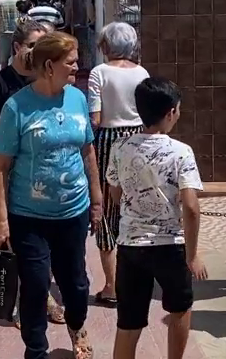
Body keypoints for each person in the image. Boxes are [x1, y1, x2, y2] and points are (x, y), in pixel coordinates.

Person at [0, 32, 100, 359]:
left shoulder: (77, 99)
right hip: (28, 216)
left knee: (76, 285)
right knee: (36, 286)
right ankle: (36, 351)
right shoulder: (16, 107)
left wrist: (96, 199)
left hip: (73, 212)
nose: (77, 67)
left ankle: (77, 324)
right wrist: (0, 219)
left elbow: (88, 151)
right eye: (71, 62)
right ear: (49, 66)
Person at [106, 77, 206, 359]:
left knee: (129, 322)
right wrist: (193, 255)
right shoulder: (181, 152)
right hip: (171, 246)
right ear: (171, 112)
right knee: (179, 309)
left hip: (130, 246)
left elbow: (116, 193)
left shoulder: (120, 148)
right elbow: (191, 207)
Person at [0, 18, 66, 325]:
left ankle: (43, 296)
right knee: (18, 243)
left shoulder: (50, 81)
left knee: (48, 243)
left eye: (42, 46)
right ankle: (31, 302)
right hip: (12, 175)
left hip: (46, 177)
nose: (37, 51)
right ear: (17, 47)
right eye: (32, 45)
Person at [86, 22, 150, 307]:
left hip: (108, 141)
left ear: (105, 46)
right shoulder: (142, 73)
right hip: (138, 138)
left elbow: (96, 117)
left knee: (106, 209)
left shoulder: (99, 73)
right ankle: (134, 281)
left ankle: (111, 285)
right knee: (133, 206)